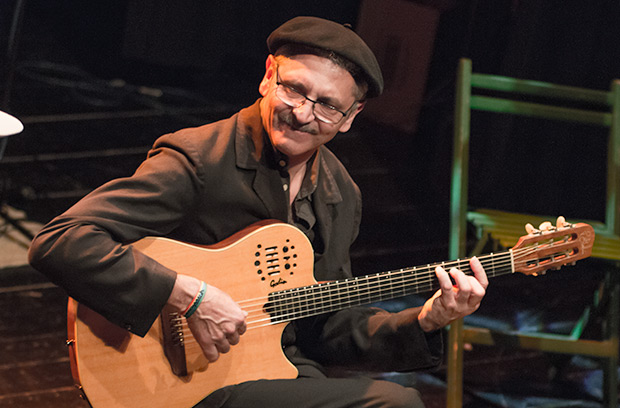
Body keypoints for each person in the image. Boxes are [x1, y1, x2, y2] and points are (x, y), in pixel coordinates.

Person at [28, 16, 488, 408]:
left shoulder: (340, 192)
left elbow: (325, 326)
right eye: (294, 90)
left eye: (327, 106)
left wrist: (426, 319)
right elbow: (62, 240)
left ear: (351, 116)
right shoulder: (200, 158)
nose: (304, 114)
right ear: (269, 74)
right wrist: (188, 295)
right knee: (394, 403)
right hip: (187, 382)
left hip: (274, 367)